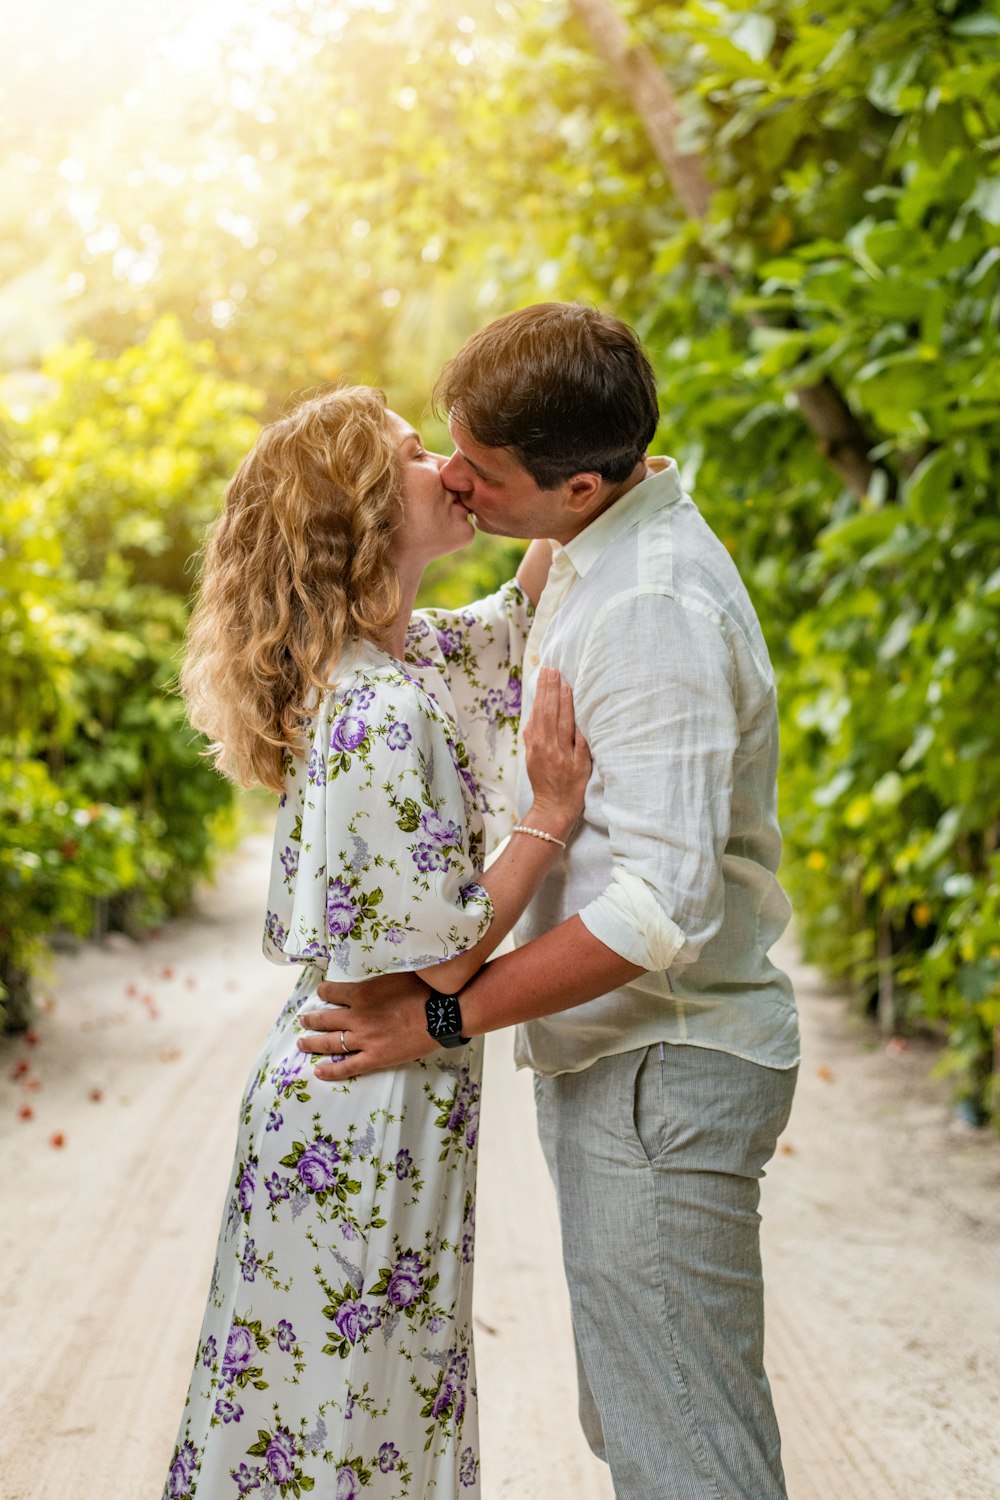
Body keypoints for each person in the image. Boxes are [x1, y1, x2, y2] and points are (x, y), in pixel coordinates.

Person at [299, 304, 801, 1500]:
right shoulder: (591, 549)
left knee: (683, 1437)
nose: (452, 477)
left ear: (580, 486)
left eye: (480, 467)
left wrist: (433, 1021)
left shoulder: (650, 608)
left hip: (664, 1064)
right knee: (643, 1413)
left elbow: (655, 912)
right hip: (625, 1064)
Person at [163, 385, 590, 1500]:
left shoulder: (401, 663)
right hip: (356, 1115)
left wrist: (585, 473)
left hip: (376, 1099)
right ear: (359, 511)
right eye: (414, 453)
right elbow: (443, 960)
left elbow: (505, 627)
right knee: (347, 1423)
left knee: (359, 1416)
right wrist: (548, 816)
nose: (447, 463)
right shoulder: (378, 713)